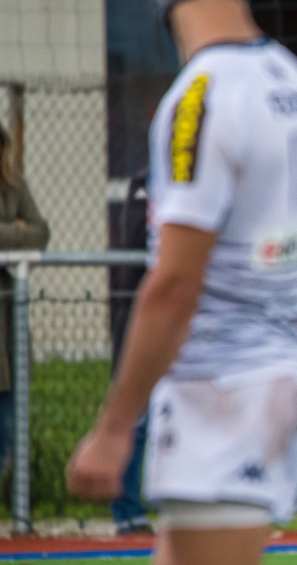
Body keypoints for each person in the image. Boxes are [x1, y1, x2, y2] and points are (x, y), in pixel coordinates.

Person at [66, 2, 297, 565]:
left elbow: (174, 282)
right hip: (272, 363)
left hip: (224, 383)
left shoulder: (203, 95)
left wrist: (115, 425)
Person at [0, 123, 49, 498]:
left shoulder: (12, 183)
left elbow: (40, 232)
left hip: (7, 317)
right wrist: (14, 230)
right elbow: (26, 232)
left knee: (8, 423)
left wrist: (12, 233)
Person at [108, 169, 153, 535]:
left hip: (191, 325)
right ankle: (126, 511)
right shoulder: (146, 185)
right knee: (137, 420)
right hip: (140, 319)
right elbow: (139, 239)